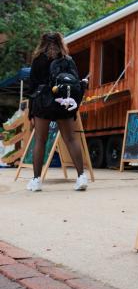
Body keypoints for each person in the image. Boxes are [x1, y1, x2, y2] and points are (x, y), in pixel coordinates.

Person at [27, 32, 88, 192]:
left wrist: (30, 113)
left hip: (43, 104)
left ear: (42, 43)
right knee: (71, 139)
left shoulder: (38, 60)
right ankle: (81, 177)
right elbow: (76, 83)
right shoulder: (68, 60)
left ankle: (36, 181)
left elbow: (31, 88)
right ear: (61, 43)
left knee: (40, 140)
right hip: (64, 104)